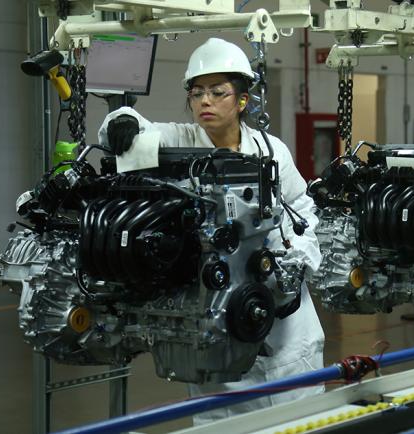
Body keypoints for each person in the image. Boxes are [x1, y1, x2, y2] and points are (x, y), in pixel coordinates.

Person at [97, 37, 325, 422]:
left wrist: (297, 260)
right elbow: (131, 131)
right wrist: (119, 121)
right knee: (223, 419)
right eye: (197, 92)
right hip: (215, 308)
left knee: (299, 418)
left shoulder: (272, 150)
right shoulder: (178, 142)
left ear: (242, 100)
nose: (205, 101)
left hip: (285, 320)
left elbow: (303, 210)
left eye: (218, 92)